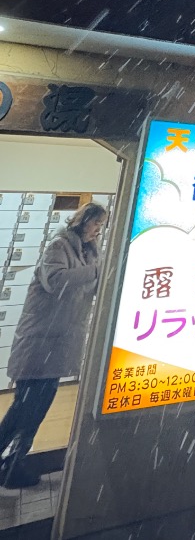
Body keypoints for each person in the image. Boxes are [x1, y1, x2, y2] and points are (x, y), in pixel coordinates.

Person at [0, 202, 106, 490]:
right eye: (95, 224)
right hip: (38, 343)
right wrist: (97, 270)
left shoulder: (89, 253)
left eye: (101, 226)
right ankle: (8, 463)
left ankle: (13, 465)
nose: (98, 230)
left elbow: (96, 286)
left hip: (59, 344)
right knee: (24, 407)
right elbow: (57, 281)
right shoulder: (59, 246)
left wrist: (102, 271)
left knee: (36, 409)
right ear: (82, 221)